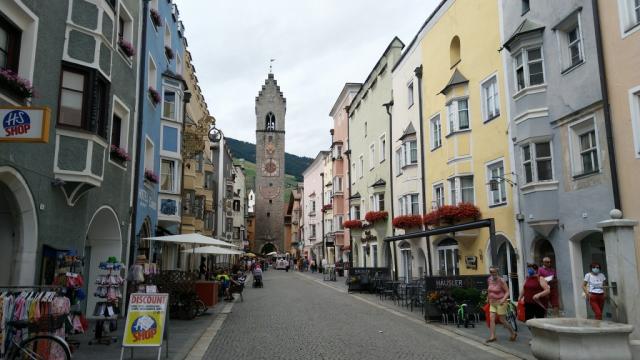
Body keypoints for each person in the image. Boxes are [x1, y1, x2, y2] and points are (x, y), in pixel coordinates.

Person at [486, 266, 517, 343]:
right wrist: (488, 297)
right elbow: (489, 289)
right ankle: (493, 336)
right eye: (491, 272)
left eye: (494, 272)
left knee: (502, 320)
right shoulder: (489, 279)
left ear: (497, 272)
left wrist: (503, 299)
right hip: (492, 302)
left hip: (501, 302)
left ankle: (513, 333)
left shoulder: (501, 281)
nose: (492, 273)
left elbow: (507, 292)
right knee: (491, 318)